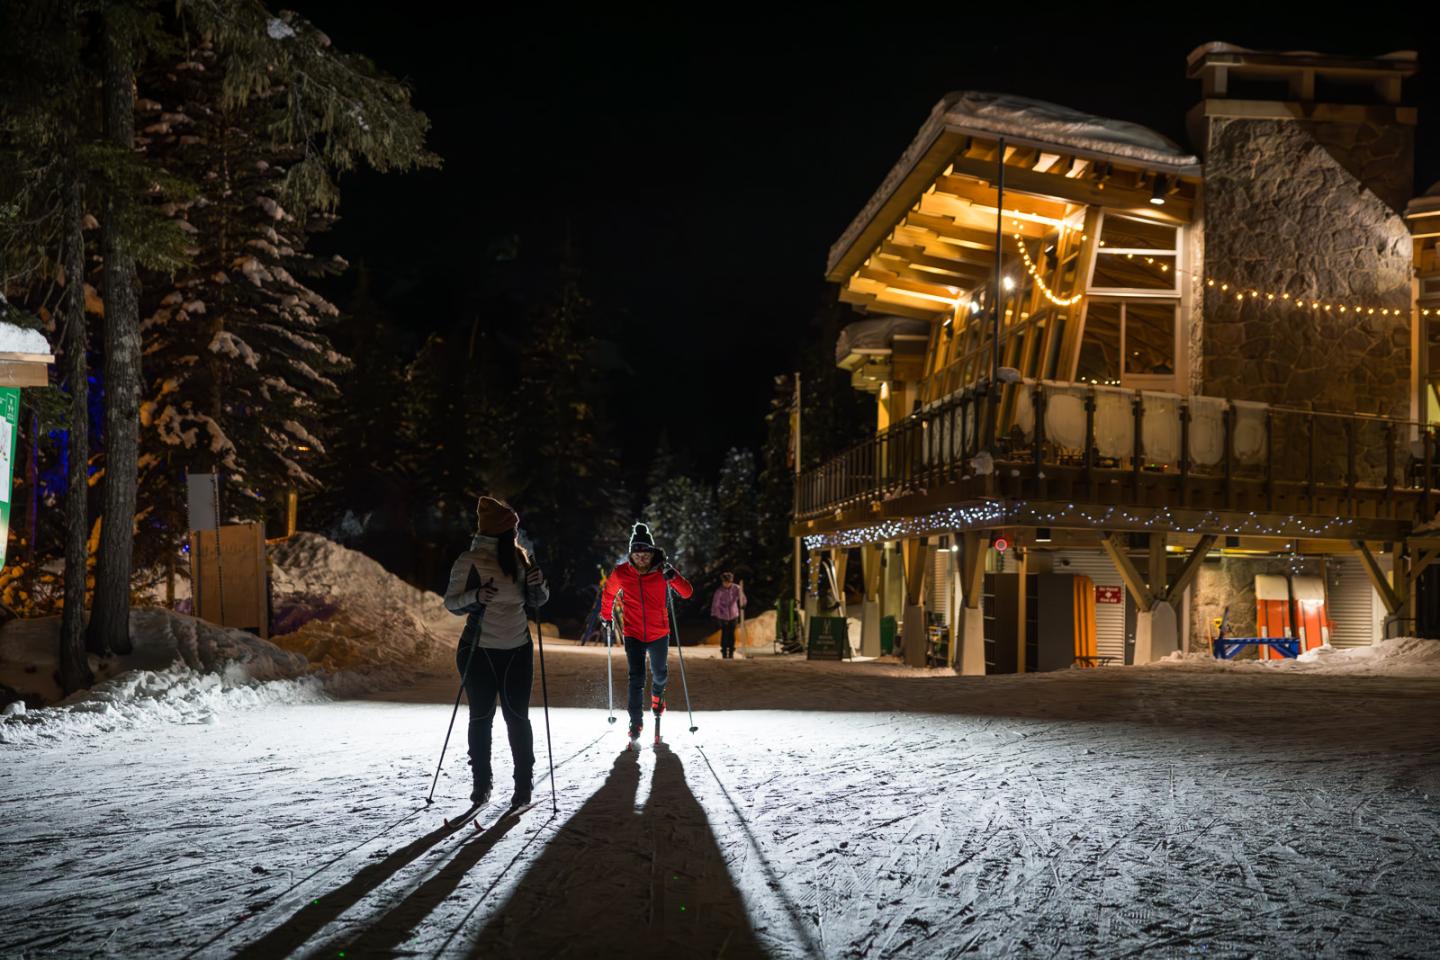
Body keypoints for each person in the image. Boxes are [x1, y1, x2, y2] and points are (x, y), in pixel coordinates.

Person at [443, 495, 549, 807]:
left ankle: (523, 784)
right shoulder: (469, 560)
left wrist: (538, 585)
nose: (516, 534)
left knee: (517, 717)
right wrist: (477, 595)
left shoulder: (520, 558)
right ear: (501, 531)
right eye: (512, 529)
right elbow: (451, 602)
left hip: (517, 649)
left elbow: (538, 600)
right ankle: (481, 783)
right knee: (481, 717)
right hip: (478, 650)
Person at [600, 522, 693, 739]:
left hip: (659, 632)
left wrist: (674, 577)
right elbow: (608, 594)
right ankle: (636, 721)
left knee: (660, 674)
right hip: (633, 634)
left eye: (645, 554)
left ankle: (658, 696)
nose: (641, 558)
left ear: (652, 554)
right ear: (630, 555)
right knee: (636, 677)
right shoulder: (622, 573)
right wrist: (606, 616)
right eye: (636, 553)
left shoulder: (663, 571)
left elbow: (687, 592)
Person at [709, 572, 747, 659]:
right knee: (725, 633)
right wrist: (715, 615)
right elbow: (715, 604)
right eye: (725, 582)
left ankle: (731, 651)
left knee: (731, 633)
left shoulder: (736, 588)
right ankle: (724, 651)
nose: (726, 584)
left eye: (728, 582)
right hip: (723, 616)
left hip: (734, 615)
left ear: (731, 581)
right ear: (723, 582)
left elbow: (742, 597)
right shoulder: (719, 591)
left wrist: (744, 603)